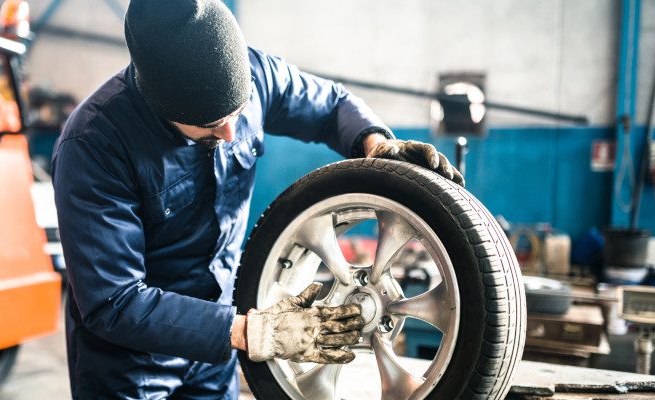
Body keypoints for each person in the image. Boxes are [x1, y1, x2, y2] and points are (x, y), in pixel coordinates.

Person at [51, 0, 463, 398]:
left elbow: (331, 106)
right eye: (211, 125)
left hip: (219, 344)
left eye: (239, 110)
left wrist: (375, 144)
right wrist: (254, 332)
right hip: (131, 362)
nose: (231, 133)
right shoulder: (93, 144)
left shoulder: (254, 72)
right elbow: (114, 302)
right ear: (159, 106)